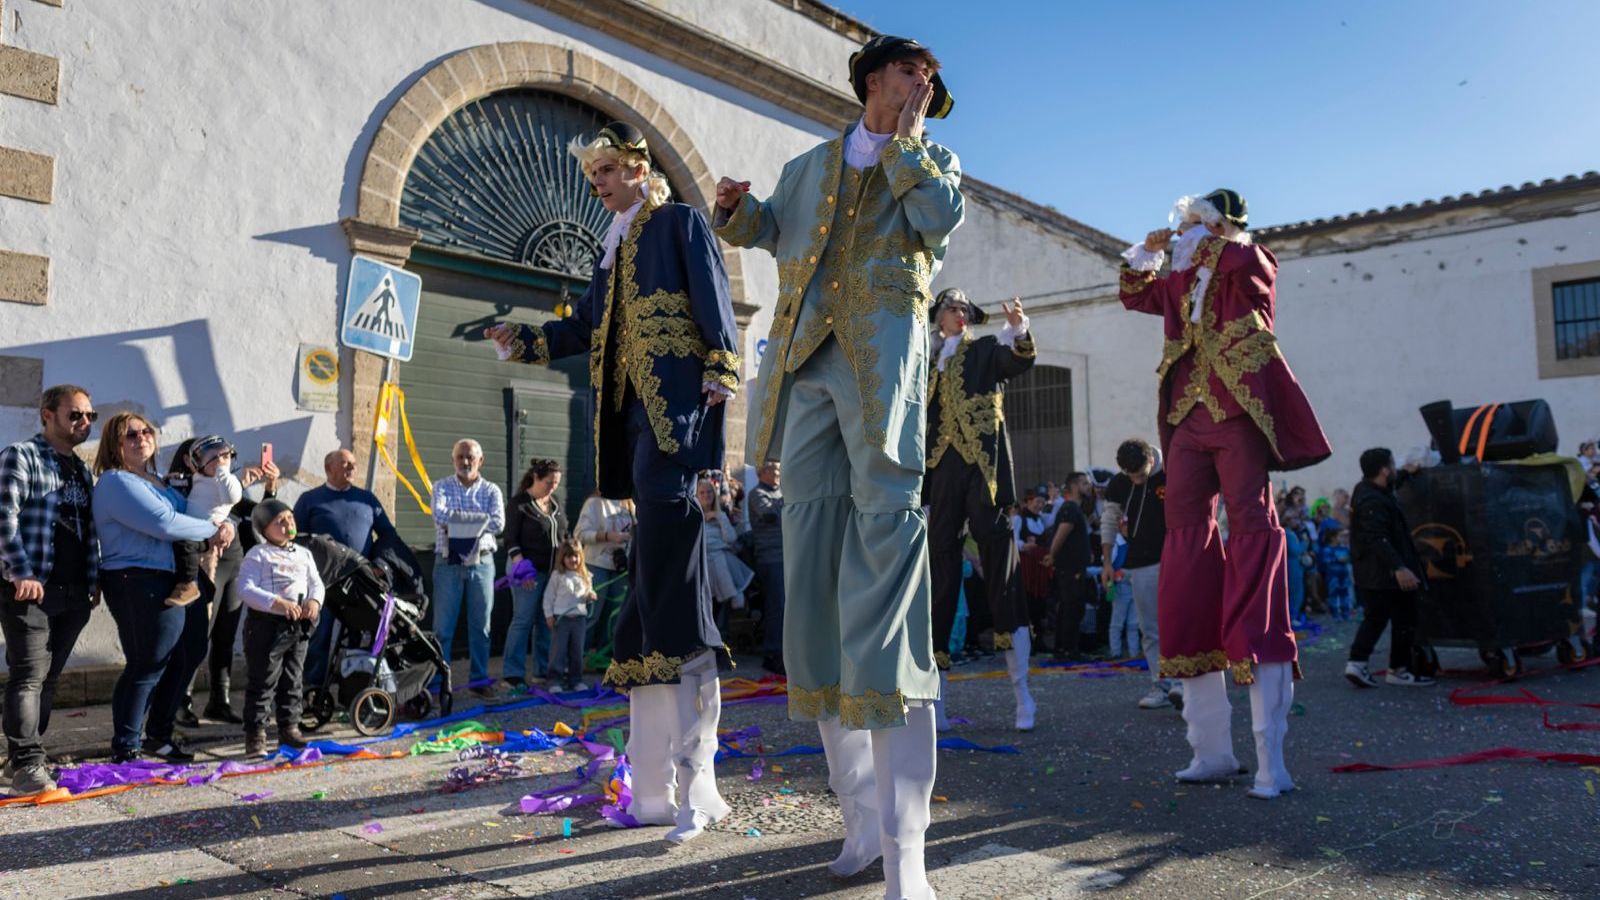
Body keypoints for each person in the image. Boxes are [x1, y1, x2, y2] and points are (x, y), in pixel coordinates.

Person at [715, 32, 961, 895]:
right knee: (813, 580)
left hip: (881, 371)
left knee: (887, 566)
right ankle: (859, 826)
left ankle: (909, 853)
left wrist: (908, 142)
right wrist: (738, 212)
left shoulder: (933, 159)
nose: (921, 82)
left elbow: (937, 222)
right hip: (807, 367)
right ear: (868, 77)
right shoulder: (808, 164)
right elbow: (776, 233)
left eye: (928, 77)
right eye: (908, 69)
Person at [485, 120, 739, 843]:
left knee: (671, 591)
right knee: (651, 589)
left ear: (636, 166)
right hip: (631, 427)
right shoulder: (612, 250)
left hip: (676, 426)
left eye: (604, 170)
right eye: (591, 173)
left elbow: (715, 308)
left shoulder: (679, 224)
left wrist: (717, 388)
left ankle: (698, 787)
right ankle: (656, 787)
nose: (594, 183)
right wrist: (528, 340)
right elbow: (589, 327)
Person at [1120, 189, 1331, 800]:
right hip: (1187, 420)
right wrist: (1150, 250)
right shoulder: (1181, 280)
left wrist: (1212, 235)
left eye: (1191, 224)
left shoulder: (1244, 261)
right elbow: (1135, 290)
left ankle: (1272, 763)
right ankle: (1210, 752)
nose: (1181, 232)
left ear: (1215, 225)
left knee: (1252, 530)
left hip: (1237, 411)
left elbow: (1255, 268)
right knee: (1185, 550)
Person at [923, 287, 1037, 732]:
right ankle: (937, 702)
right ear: (938, 316)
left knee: (999, 562)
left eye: (966, 309)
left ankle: (1022, 695)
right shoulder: (927, 362)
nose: (961, 313)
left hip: (983, 467)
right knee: (941, 573)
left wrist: (1017, 329)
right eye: (953, 308)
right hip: (943, 469)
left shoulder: (987, 349)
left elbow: (1019, 360)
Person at [92, 412, 232, 763]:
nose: (141, 438)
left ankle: (159, 733)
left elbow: (196, 513)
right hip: (137, 578)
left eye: (146, 431)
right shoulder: (115, 482)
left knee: (188, 654)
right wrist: (210, 531)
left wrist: (224, 522)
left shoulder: (158, 481)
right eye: (130, 435)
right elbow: (165, 524)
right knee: (148, 661)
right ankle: (126, 744)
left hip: (176, 577)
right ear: (115, 444)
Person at [0, 385, 99, 795]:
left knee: (50, 678)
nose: (85, 423)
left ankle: (24, 758)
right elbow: (3, 516)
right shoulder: (20, 456)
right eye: (75, 415)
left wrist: (92, 583)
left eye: (89, 416)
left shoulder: (80, 469)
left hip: (74, 593)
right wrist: (20, 572)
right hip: (31, 587)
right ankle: (26, 764)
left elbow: (87, 529)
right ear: (47, 415)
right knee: (28, 676)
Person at [292, 448, 401, 690]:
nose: (351, 468)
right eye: (345, 464)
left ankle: (354, 687)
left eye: (353, 463)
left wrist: (381, 564)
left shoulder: (367, 499)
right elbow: (294, 539)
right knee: (319, 634)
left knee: (359, 636)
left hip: (361, 583)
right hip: (323, 583)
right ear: (329, 469)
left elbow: (388, 535)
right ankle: (311, 687)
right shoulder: (309, 500)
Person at [236, 498, 323, 757]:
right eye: (280, 521)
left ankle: (289, 728)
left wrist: (315, 601)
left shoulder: (304, 554)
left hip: (297, 626)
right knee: (263, 681)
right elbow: (246, 589)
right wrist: (277, 603)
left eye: (290, 518)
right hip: (266, 627)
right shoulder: (258, 554)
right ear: (264, 529)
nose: (288, 524)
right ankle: (256, 735)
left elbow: (315, 582)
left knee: (293, 679)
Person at [1344, 448, 1435, 688]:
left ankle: (1359, 663)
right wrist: (1399, 568)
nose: (1395, 468)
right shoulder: (1373, 500)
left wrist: (1406, 473)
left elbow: (1390, 488)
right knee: (1402, 618)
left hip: (1373, 573)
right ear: (1384, 470)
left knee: (1378, 617)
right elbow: (1378, 538)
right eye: (1392, 465)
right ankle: (1395, 668)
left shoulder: (1367, 491)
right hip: (1383, 574)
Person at [1100, 438, 1178, 710]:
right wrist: (1108, 561)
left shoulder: (1172, 472)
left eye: (1141, 476)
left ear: (1152, 461)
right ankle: (1161, 684)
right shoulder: (1119, 483)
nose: (1135, 481)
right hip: (1141, 562)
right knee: (1149, 628)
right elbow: (1109, 521)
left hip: (1175, 558)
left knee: (1176, 623)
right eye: (1129, 476)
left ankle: (1183, 680)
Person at [428, 439, 504, 699]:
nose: (465, 461)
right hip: (448, 562)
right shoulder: (441, 486)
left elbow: (498, 523)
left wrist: (458, 521)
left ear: (480, 460)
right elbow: (439, 516)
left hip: (482, 563)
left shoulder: (492, 490)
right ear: (453, 459)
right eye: (460, 456)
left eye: (470, 457)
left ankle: (479, 680)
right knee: (442, 629)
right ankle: (439, 682)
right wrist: (477, 521)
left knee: (481, 627)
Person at [503, 458, 567, 689]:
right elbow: (510, 538)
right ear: (536, 478)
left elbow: (563, 534)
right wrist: (522, 570)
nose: (553, 487)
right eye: (549, 482)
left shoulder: (555, 503)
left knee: (546, 621)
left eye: (556, 483)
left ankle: (542, 670)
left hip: (551, 572)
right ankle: (512, 674)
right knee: (523, 619)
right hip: (526, 570)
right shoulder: (519, 503)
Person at [574, 489, 633, 660]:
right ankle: (577, 659)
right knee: (592, 614)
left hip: (621, 568)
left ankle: (604, 659)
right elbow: (579, 534)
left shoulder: (630, 503)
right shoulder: (594, 503)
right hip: (596, 565)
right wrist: (608, 536)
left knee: (615, 617)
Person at [1044, 472, 1094, 662]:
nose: (1088, 487)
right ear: (1073, 486)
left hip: (1075, 568)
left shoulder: (1076, 509)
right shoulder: (1070, 508)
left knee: (1073, 608)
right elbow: (1062, 534)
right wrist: (1052, 554)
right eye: (1084, 483)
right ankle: (1066, 650)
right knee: (1070, 608)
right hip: (1070, 569)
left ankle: (1068, 648)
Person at [699, 475, 754, 627]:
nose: (706, 496)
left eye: (709, 492)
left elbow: (730, 538)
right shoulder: (693, 516)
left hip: (722, 561)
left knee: (725, 604)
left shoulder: (720, 514)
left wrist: (719, 517)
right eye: (702, 493)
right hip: (702, 564)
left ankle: (723, 636)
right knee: (707, 604)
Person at [544, 538, 597, 693]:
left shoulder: (586, 576)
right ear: (562, 558)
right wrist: (549, 615)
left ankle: (576, 680)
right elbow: (548, 597)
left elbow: (587, 593)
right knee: (558, 651)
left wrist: (591, 595)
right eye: (569, 556)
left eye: (576, 556)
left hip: (579, 619)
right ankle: (554, 680)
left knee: (576, 651)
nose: (573, 559)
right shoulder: (557, 576)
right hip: (561, 620)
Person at [748, 462, 786, 674]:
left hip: (786, 557)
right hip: (770, 558)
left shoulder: (782, 492)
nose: (778, 473)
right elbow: (770, 515)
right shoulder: (757, 494)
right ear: (761, 472)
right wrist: (789, 501)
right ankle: (773, 653)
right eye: (774, 469)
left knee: (785, 606)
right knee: (776, 606)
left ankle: (785, 651)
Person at [1322, 528, 1354, 621]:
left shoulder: (1344, 548)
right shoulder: (1327, 549)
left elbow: (1350, 558)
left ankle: (1345, 613)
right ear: (1333, 538)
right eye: (1341, 536)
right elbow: (1325, 561)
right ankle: (1335, 613)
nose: (1343, 538)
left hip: (1344, 575)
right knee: (1334, 593)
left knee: (1345, 593)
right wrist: (1338, 560)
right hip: (1333, 576)